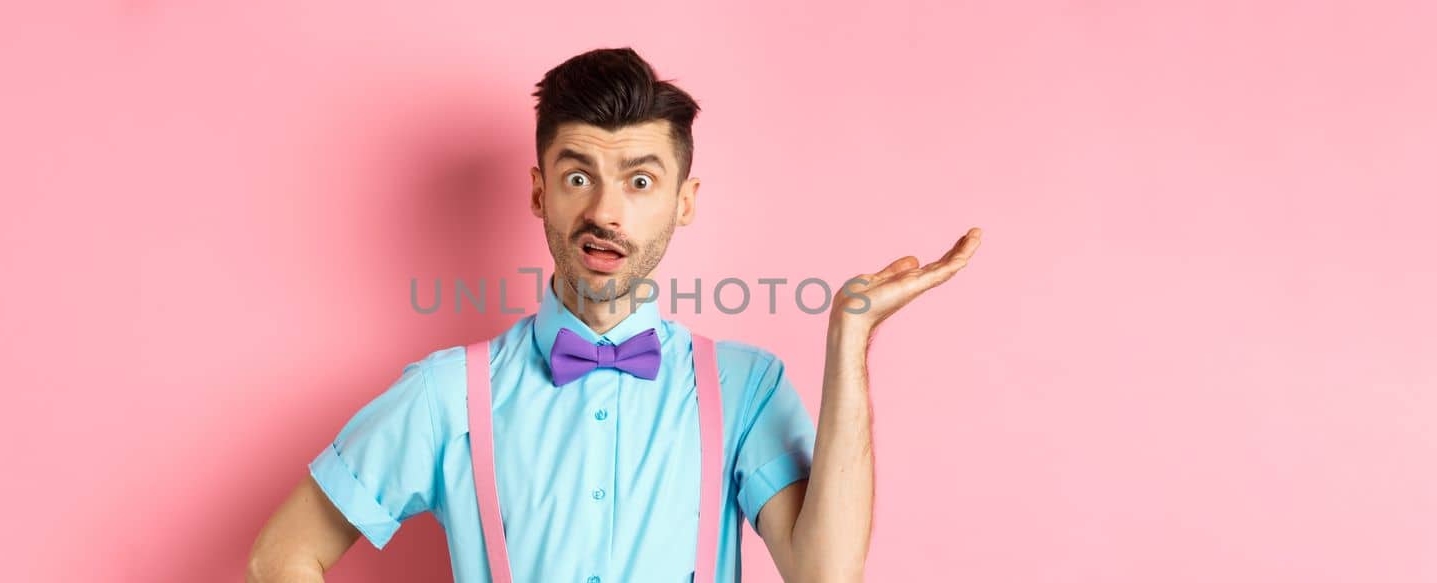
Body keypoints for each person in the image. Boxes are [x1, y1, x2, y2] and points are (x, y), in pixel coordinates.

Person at [247, 46, 982, 583]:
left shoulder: (744, 386)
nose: (605, 212)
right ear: (539, 192)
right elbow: (280, 554)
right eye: (577, 176)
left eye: (639, 180)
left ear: (683, 202)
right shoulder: (448, 394)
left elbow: (825, 575)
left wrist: (849, 340)